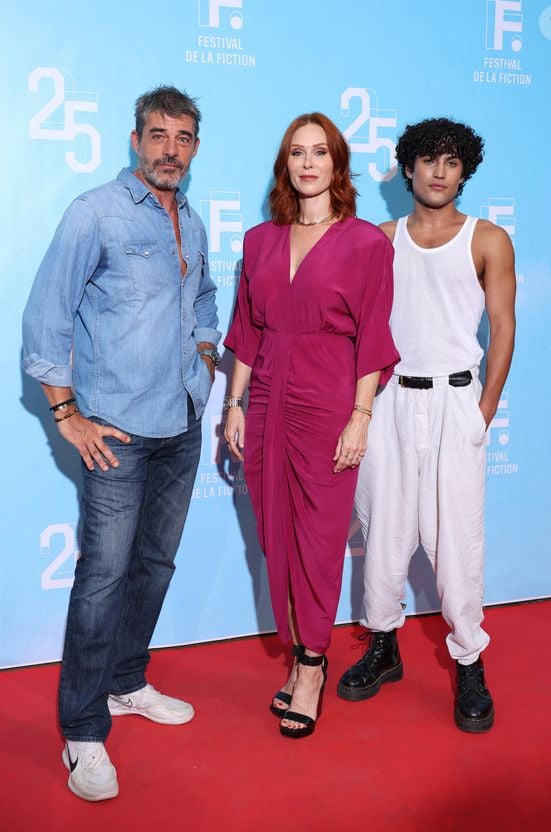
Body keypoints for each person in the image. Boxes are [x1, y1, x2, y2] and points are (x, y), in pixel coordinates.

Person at [22, 85, 220, 800]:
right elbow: (46, 317)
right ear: (135, 140)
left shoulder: (190, 222)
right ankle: (82, 731)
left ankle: (126, 682)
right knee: (103, 578)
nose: (172, 148)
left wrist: (203, 360)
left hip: (182, 423)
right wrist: (66, 412)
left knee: (156, 564)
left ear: (196, 147)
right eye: (159, 135)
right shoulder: (94, 213)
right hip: (118, 432)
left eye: (185, 136)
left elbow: (204, 299)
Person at [223, 113, 399, 739]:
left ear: (337, 164)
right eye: (296, 152)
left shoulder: (367, 245)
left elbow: (374, 339)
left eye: (319, 152)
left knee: (320, 542)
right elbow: (246, 330)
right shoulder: (258, 240)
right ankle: (300, 652)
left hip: (329, 407)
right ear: (285, 165)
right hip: (266, 401)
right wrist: (234, 405)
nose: (306, 163)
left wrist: (361, 416)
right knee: (275, 538)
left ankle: (313, 666)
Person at [338, 117, 516, 732]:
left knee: (457, 544)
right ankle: (383, 644)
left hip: (454, 403)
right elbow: (358, 329)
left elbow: (503, 326)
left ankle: (469, 661)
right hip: (389, 402)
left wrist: (484, 409)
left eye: (451, 161)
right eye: (428, 160)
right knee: (383, 532)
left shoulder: (487, 239)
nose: (439, 171)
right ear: (408, 167)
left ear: (465, 170)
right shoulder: (382, 239)